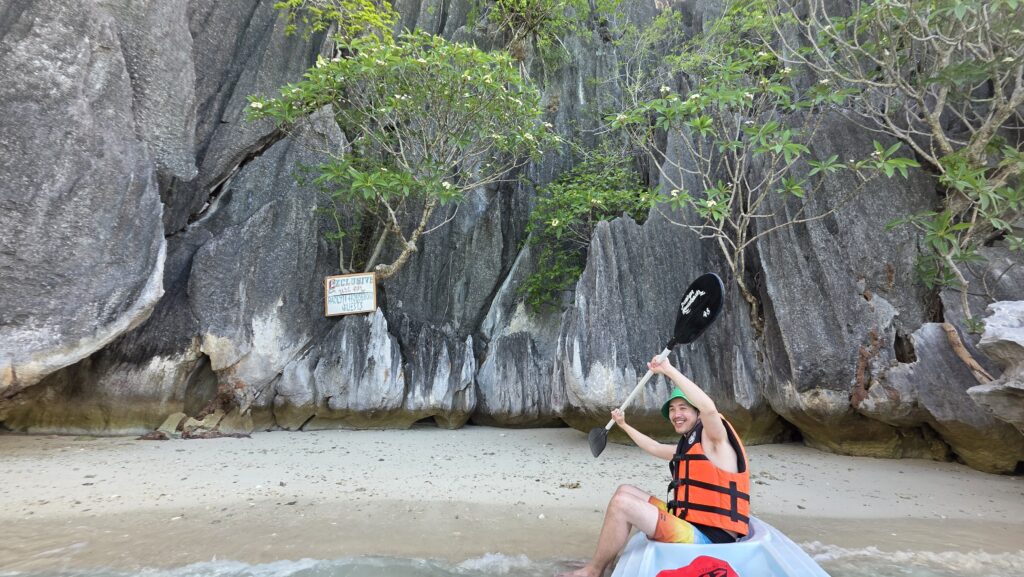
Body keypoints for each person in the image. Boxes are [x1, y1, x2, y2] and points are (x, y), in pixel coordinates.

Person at [559, 355, 750, 577]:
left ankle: (593, 571)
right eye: (672, 410)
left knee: (622, 504)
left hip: (711, 539)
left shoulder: (715, 438)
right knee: (625, 491)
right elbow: (654, 447)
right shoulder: (689, 446)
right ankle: (605, 563)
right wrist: (623, 425)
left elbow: (709, 408)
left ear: (696, 412)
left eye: (683, 408)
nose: (676, 415)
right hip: (691, 522)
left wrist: (668, 370)